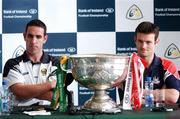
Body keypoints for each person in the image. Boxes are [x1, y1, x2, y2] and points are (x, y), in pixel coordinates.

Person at [3, 19, 73, 106]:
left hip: (49, 114)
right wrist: (50, 84)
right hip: (19, 115)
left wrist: (26, 91)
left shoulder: (57, 63)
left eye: (38, 37)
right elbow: (19, 93)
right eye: (30, 36)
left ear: (45, 39)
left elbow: (56, 96)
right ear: (25, 36)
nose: (33, 41)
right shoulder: (12, 64)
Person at [118, 21, 180, 106]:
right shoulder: (124, 65)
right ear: (135, 40)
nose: (143, 46)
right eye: (140, 41)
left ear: (156, 41)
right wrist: (160, 96)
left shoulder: (167, 66)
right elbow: (129, 100)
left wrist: (140, 92)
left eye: (148, 42)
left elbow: (173, 97)